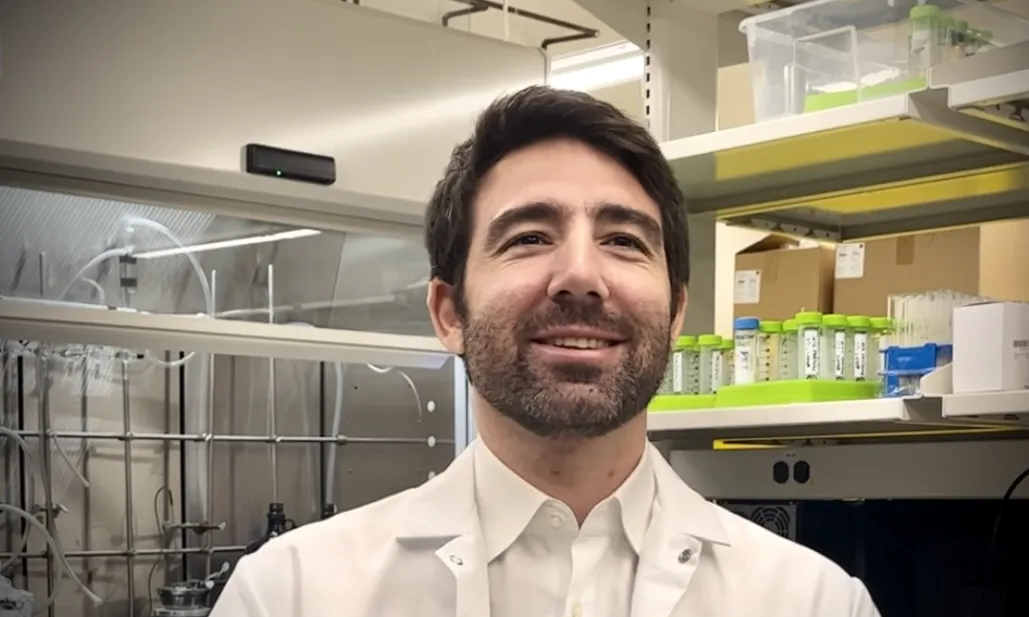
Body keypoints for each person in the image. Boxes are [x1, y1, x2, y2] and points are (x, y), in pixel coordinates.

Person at [210, 85, 881, 617]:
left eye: (623, 239)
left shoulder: (814, 601)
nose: (582, 275)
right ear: (449, 313)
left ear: (676, 312)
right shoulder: (291, 594)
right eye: (529, 236)